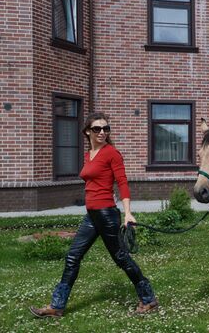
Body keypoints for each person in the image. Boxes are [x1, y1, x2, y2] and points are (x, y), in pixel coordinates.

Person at [30, 112, 158, 318]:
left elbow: (122, 183)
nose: (102, 132)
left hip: (107, 215)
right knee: (73, 257)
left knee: (121, 258)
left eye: (106, 129)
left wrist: (127, 213)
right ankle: (57, 306)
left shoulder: (112, 153)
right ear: (88, 131)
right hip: (92, 215)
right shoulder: (89, 155)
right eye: (97, 129)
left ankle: (148, 299)